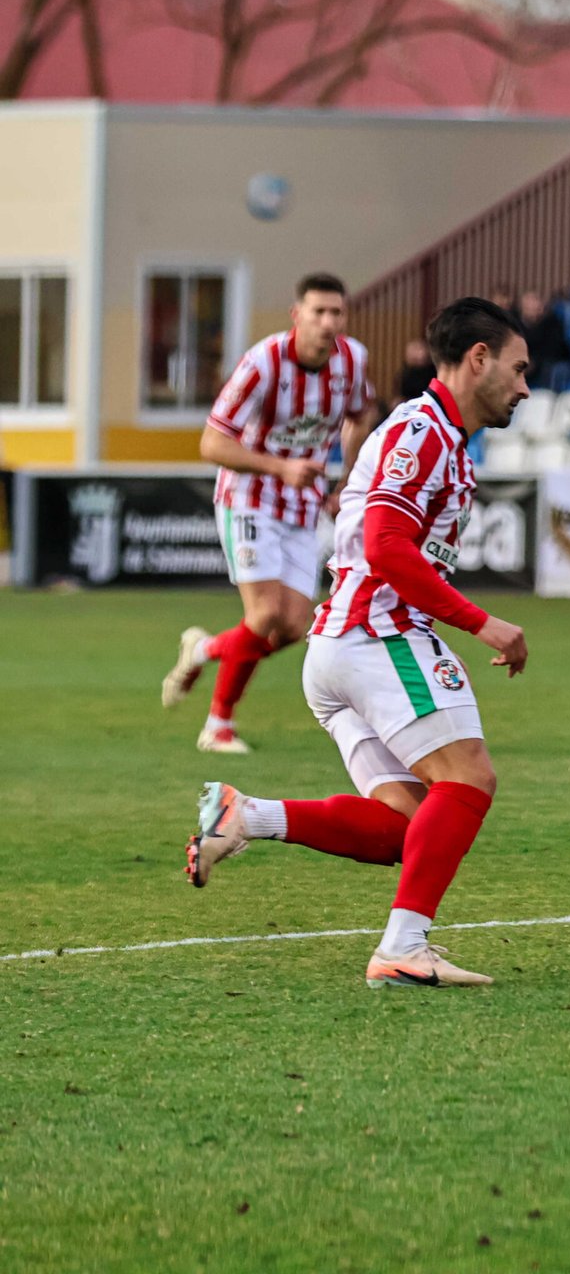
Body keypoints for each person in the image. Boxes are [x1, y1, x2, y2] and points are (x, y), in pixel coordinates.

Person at [181, 297, 531, 989]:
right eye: (519, 369)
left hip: (342, 646)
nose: (525, 387)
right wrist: (481, 622)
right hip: (378, 634)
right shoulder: (423, 432)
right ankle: (404, 947)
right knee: (468, 779)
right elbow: (386, 545)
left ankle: (246, 816)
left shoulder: (435, 435)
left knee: (408, 825)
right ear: (478, 359)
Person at [161, 273, 374, 754]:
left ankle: (205, 649)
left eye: (336, 312)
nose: (327, 322)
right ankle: (218, 726)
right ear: (297, 315)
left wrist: (346, 480)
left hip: (302, 504)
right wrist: (281, 466)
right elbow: (212, 443)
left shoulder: (353, 360)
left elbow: (362, 414)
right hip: (248, 497)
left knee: (294, 627)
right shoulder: (263, 363)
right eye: (318, 312)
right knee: (264, 614)